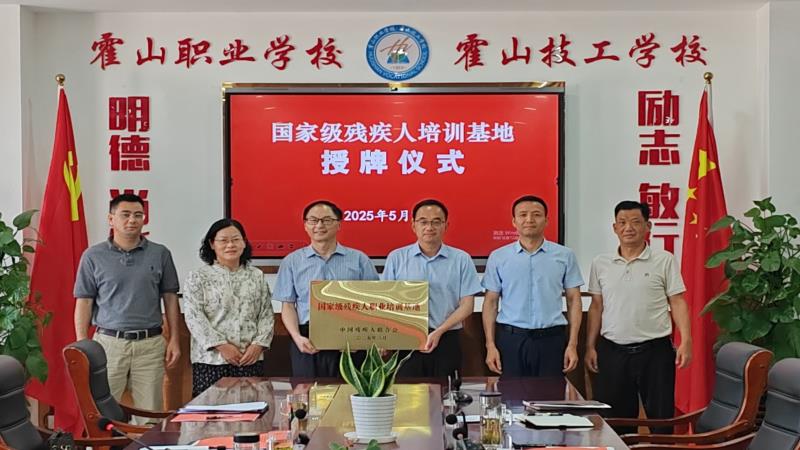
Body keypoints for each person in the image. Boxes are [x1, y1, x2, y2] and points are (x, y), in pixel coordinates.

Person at [585, 200, 692, 434]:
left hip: (655, 351)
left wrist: (686, 341)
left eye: (635, 222)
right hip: (612, 351)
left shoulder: (664, 260)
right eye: (622, 222)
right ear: (614, 228)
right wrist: (590, 346)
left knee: (661, 418)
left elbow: (677, 302)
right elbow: (596, 306)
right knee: (615, 421)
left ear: (647, 226)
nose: (628, 228)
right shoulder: (601, 263)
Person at [74, 193, 180, 416]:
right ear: (111, 219)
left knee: (149, 415)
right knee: (102, 414)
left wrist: (174, 340)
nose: (132, 220)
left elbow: (170, 298)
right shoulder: (93, 256)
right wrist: (84, 345)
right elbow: (84, 300)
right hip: (108, 345)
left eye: (138, 215)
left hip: (150, 345)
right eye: (125, 214)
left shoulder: (160, 253)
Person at [274, 200, 379, 377]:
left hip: (350, 337)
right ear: (305, 225)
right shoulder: (292, 261)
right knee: (307, 390)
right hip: (307, 338)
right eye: (313, 220)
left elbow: (373, 302)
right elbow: (288, 305)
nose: (319, 225)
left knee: (349, 391)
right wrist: (297, 337)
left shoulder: (359, 259)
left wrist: (364, 339)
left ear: (339, 224)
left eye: (327, 220)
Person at [482, 195, 584, 377]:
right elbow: (490, 302)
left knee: (550, 393)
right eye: (523, 215)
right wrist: (490, 345)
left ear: (546, 220)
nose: (529, 220)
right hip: (511, 339)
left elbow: (574, 299)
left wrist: (572, 344)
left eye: (536, 215)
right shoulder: (498, 257)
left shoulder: (565, 255)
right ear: (514, 221)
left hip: (551, 339)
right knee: (512, 394)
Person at [382, 199, 482, 378]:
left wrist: (439, 331)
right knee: (407, 392)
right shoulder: (396, 258)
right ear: (413, 225)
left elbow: (467, 305)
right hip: (406, 339)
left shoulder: (461, 259)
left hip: (447, 338)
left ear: (446, 225)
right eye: (423, 222)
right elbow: (386, 301)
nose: (429, 227)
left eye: (436, 222)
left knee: (446, 391)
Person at [183, 218, 274, 397]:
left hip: (249, 358)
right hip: (212, 360)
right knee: (213, 411)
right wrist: (221, 346)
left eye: (236, 239)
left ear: (244, 242)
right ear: (212, 244)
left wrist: (258, 345)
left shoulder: (256, 276)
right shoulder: (198, 277)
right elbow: (194, 317)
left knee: (250, 409)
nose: (230, 245)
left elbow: (266, 314)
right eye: (223, 240)